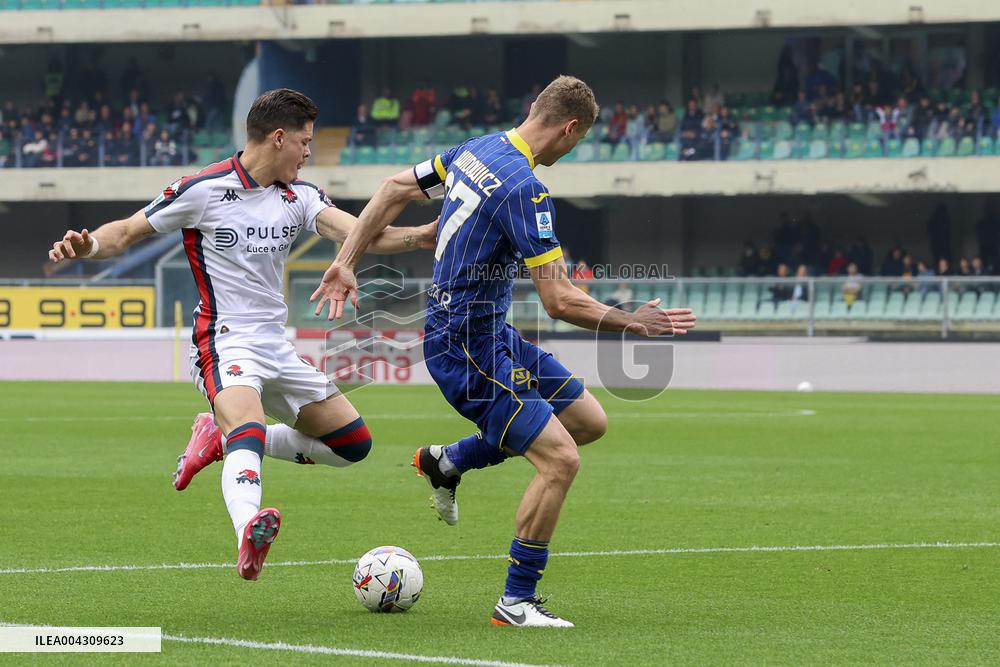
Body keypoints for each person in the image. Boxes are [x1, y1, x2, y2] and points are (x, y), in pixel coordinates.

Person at [309, 75, 697, 627]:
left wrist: (346, 259)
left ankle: (448, 461)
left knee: (587, 422)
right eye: (579, 140)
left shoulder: (477, 149)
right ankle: (516, 602)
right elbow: (559, 300)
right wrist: (632, 321)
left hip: (490, 333)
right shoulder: (525, 190)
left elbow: (394, 187)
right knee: (561, 460)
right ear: (570, 128)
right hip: (467, 349)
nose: (572, 150)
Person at [46, 89, 437, 582]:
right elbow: (124, 232)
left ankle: (216, 438)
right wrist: (88, 246)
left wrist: (421, 236)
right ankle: (247, 529)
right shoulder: (203, 189)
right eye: (305, 142)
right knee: (247, 425)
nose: (308, 152)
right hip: (223, 339)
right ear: (279, 138)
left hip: (276, 345)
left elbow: (365, 233)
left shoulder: (300, 196)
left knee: (352, 444)